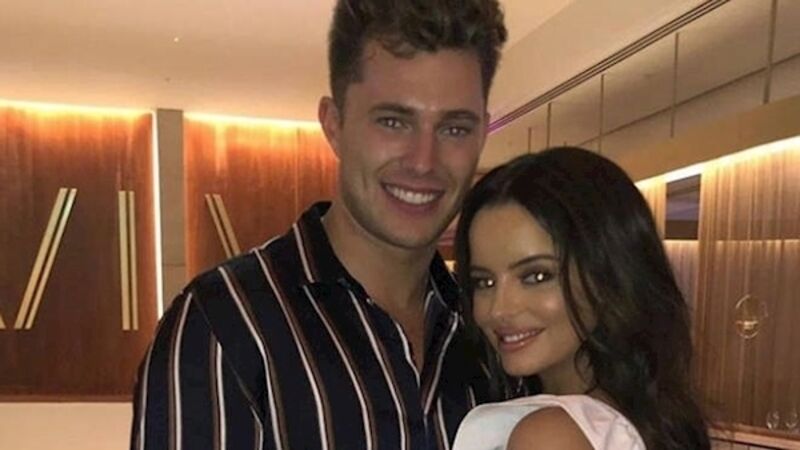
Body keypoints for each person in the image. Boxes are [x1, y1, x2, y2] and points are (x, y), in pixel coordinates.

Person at [130, 1, 507, 449]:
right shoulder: (223, 328)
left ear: (482, 134)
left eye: (455, 129)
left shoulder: (494, 331)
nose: (424, 161)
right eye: (393, 122)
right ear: (334, 125)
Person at [451, 147, 710, 450]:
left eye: (536, 276)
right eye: (484, 282)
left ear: (608, 275)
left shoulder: (550, 435)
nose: (498, 309)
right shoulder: (637, 417)